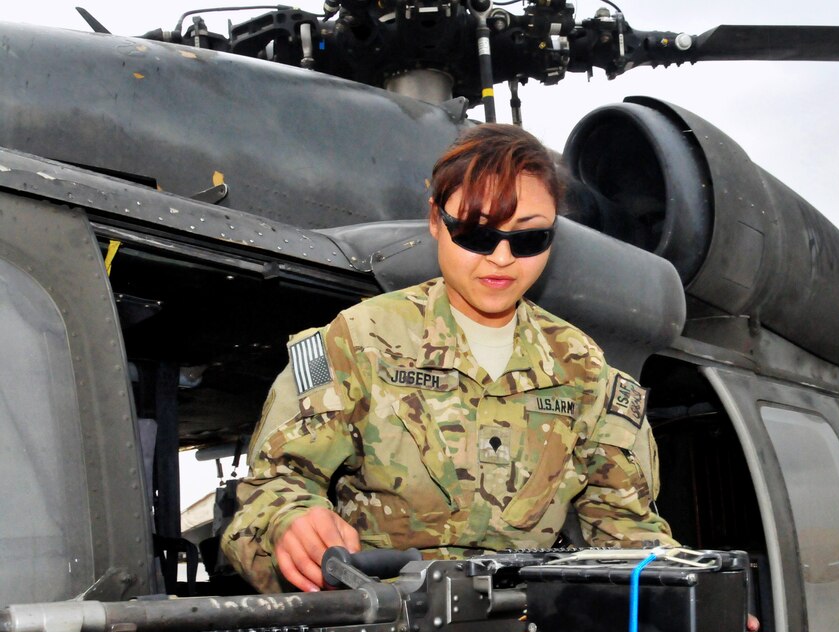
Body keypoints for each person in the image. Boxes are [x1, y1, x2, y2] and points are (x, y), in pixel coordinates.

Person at [221, 123, 679, 594]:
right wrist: (290, 522)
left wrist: (695, 598)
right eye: (477, 235)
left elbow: (627, 530)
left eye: (528, 239)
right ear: (437, 221)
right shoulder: (359, 341)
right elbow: (273, 485)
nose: (501, 258)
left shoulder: (584, 370)